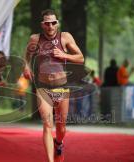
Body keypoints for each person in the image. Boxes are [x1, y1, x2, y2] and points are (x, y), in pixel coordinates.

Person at [24, 9, 84, 162]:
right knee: (47, 125)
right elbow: (27, 54)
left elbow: (80, 58)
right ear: (42, 24)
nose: (50, 26)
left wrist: (64, 55)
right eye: (47, 23)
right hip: (43, 87)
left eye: (53, 22)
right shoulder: (35, 39)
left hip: (61, 86)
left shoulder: (65, 37)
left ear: (57, 23)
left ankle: (59, 142)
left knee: (61, 128)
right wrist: (26, 66)